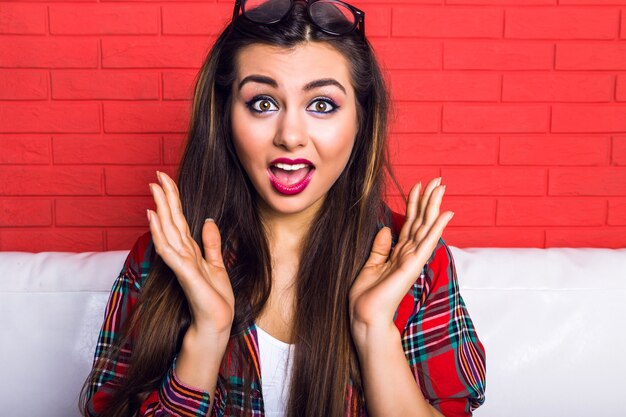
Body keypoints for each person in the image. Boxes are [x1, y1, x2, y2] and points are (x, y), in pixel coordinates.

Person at [79, 1, 486, 416]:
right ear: (224, 117)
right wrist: (208, 333)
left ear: (361, 120)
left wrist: (373, 329)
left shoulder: (413, 263)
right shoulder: (164, 258)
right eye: (263, 103)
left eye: (322, 105)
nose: (290, 136)